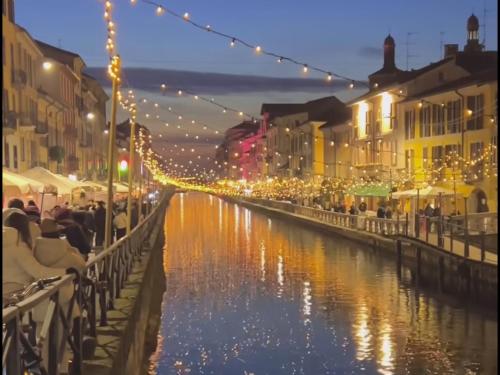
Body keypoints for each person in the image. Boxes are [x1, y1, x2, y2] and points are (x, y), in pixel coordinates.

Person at [3, 212, 66, 297]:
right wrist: (65, 271)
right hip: (16, 292)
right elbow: (37, 271)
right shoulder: (18, 246)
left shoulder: (6, 241)